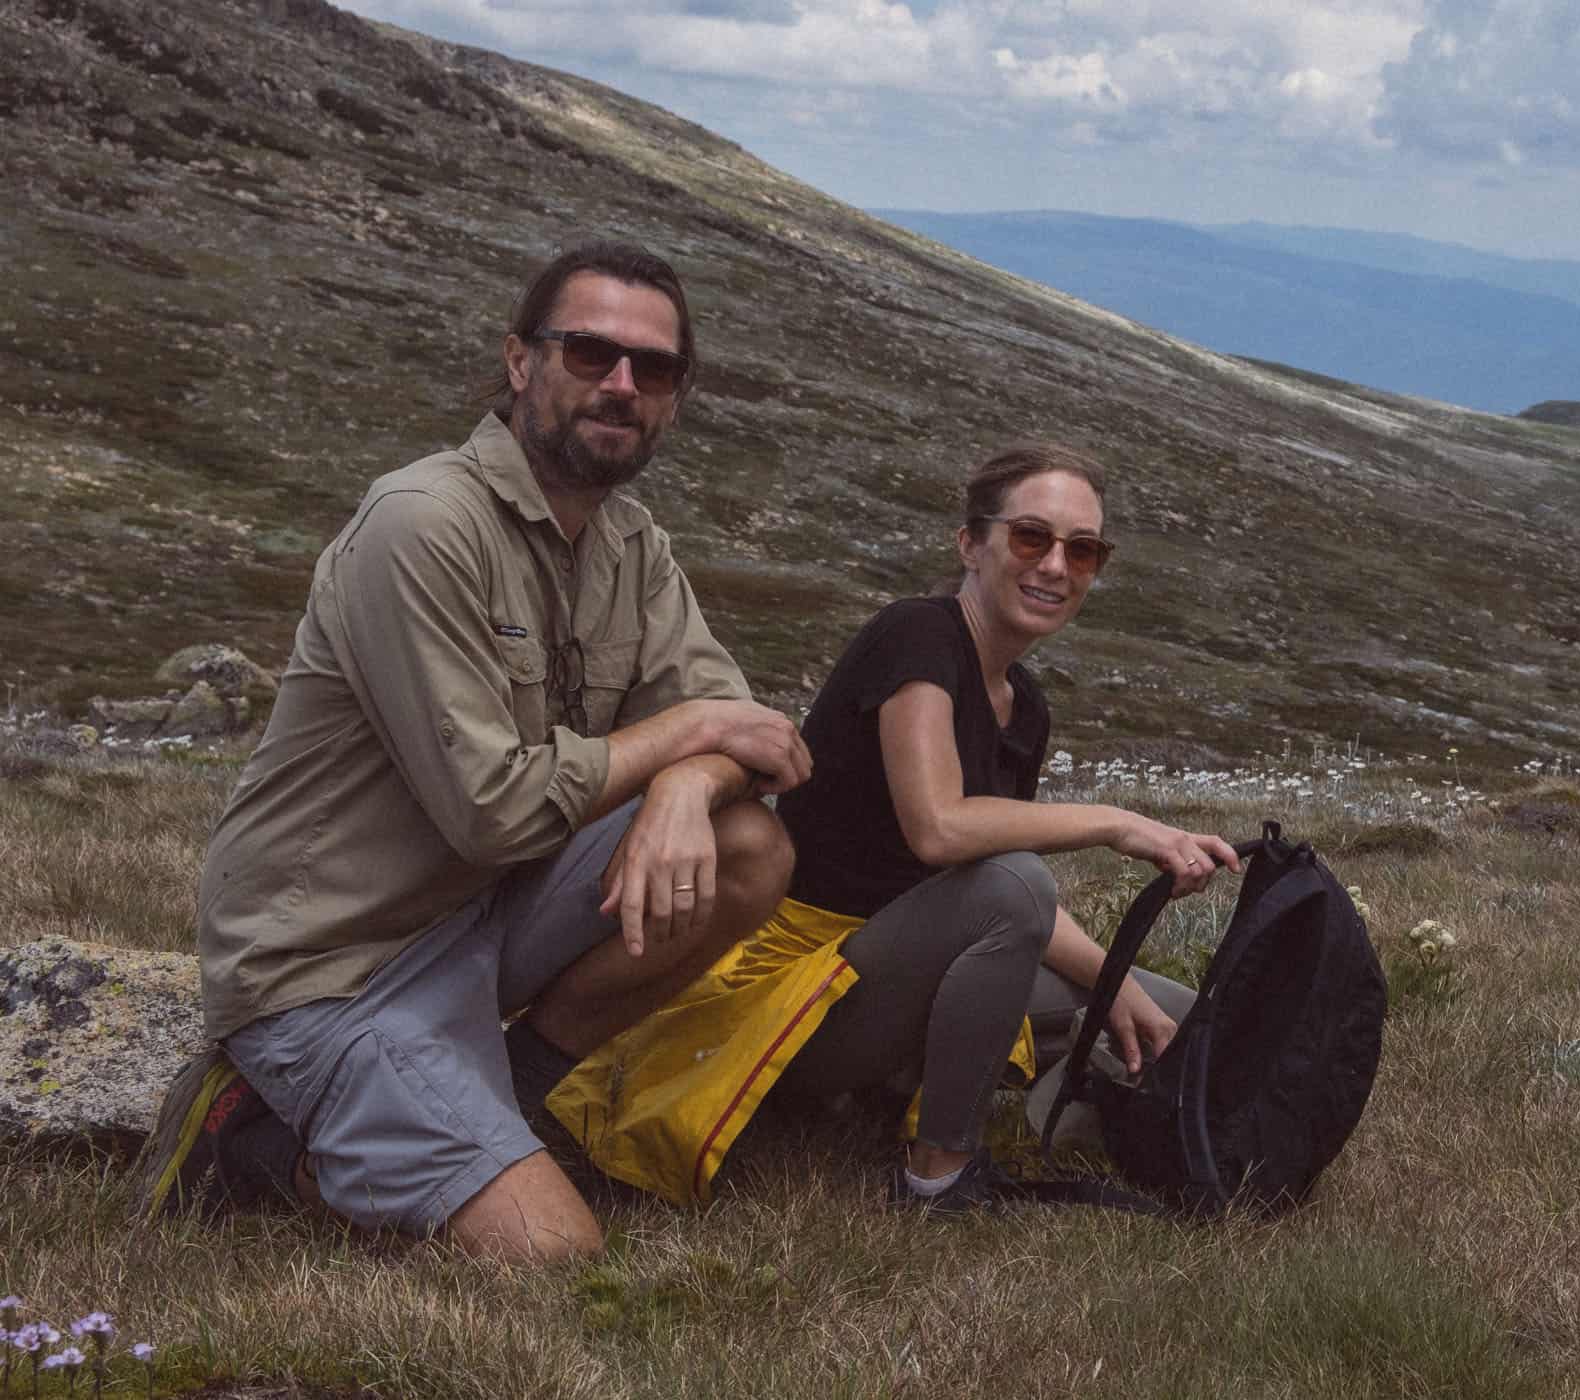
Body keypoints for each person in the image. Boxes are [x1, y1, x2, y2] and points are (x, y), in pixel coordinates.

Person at [133, 241, 811, 1261]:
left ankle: (513, 1097)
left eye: (654, 368)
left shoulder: (631, 543)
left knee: (748, 844)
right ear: (518, 361)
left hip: (485, 906)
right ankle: (256, 1144)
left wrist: (683, 785)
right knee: (554, 1254)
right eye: (589, 351)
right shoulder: (422, 523)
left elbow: (743, 724)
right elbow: (493, 808)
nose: (622, 384)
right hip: (334, 959)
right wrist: (683, 733)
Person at [552, 442, 1239, 1212]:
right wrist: (1115, 822)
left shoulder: (1026, 705)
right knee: (1019, 889)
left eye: (1083, 550)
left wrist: (1110, 982)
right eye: (1030, 537)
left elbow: (990, 885)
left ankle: (1102, 1120)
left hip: (906, 963)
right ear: (971, 545)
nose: (1055, 565)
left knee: (1171, 1015)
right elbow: (940, 832)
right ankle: (939, 1174)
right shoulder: (918, 636)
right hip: (804, 985)